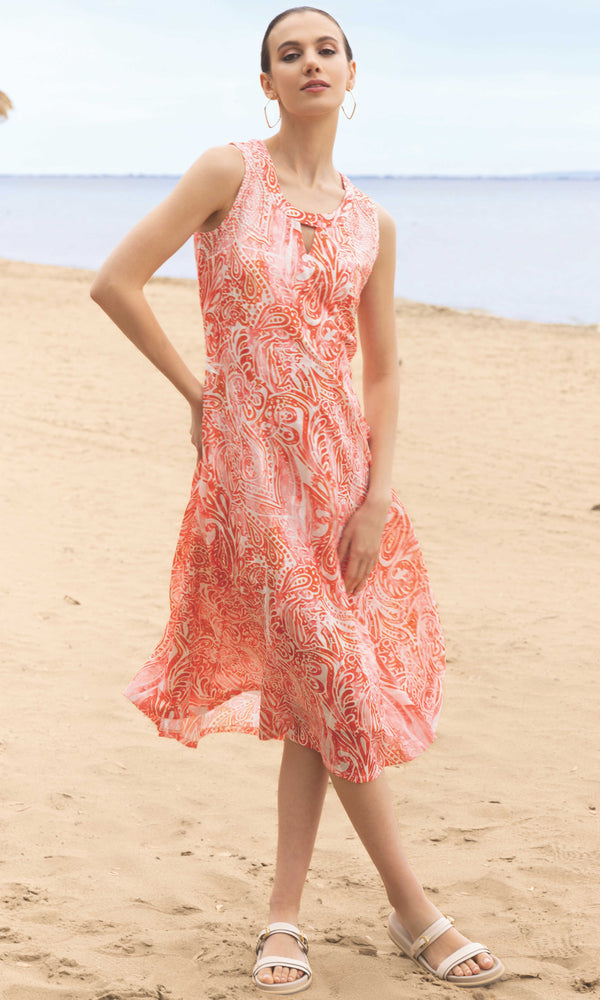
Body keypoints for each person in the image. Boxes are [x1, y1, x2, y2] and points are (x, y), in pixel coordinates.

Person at [91, 6, 504, 994]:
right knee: (339, 684)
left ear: (351, 75)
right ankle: (417, 911)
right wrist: (203, 395)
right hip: (251, 484)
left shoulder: (373, 221)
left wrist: (378, 493)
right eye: (290, 52)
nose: (310, 61)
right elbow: (116, 281)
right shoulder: (228, 172)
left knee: (316, 698)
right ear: (267, 83)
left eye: (327, 48)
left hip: (343, 482)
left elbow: (385, 370)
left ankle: (285, 919)